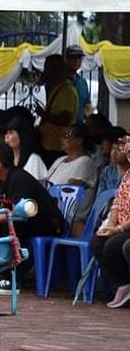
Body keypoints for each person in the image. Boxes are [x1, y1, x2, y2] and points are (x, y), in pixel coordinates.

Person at [0, 143, 64, 294]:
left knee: (13, 226)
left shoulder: (18, 178)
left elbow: (15, 215)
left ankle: (12, 281)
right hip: (22, 220)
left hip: (47, 223)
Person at [90, 137, 130, 308]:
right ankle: (122, 285)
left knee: (113, 245)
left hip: (126, 227)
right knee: (96, 242)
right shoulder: (128, 176)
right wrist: (110, 225)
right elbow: (117, 204)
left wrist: (119, 229)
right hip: (120, 225)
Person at [38, 54, 78, 166]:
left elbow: (65, 119)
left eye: (47, 68)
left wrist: (44, 115)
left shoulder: (66, 91)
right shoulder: (56, 88)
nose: (45, 72)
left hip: (58, 147)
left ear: (56, 70)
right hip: (49, 145)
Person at [45, 123, 96, 188]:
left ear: (79, 140)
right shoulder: (60, 159)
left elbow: (71, 186)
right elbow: (46, 180)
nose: (62, 139)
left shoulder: (84, 161)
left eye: (66, 136)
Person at [4, 117, 47, 181]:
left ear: (21, 135)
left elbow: (32, 185)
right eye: (6, 133)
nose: (6, 136)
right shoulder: (6, 158)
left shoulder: (34, 159)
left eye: (11, 133)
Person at [65, 45, 92, 124]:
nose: (76, 61)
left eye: (79, 58)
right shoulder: (60, 81)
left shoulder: (82, 82)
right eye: (73, 58)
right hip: (62, 126)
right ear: (66, 59)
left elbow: (87, 106)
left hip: (79, 126)